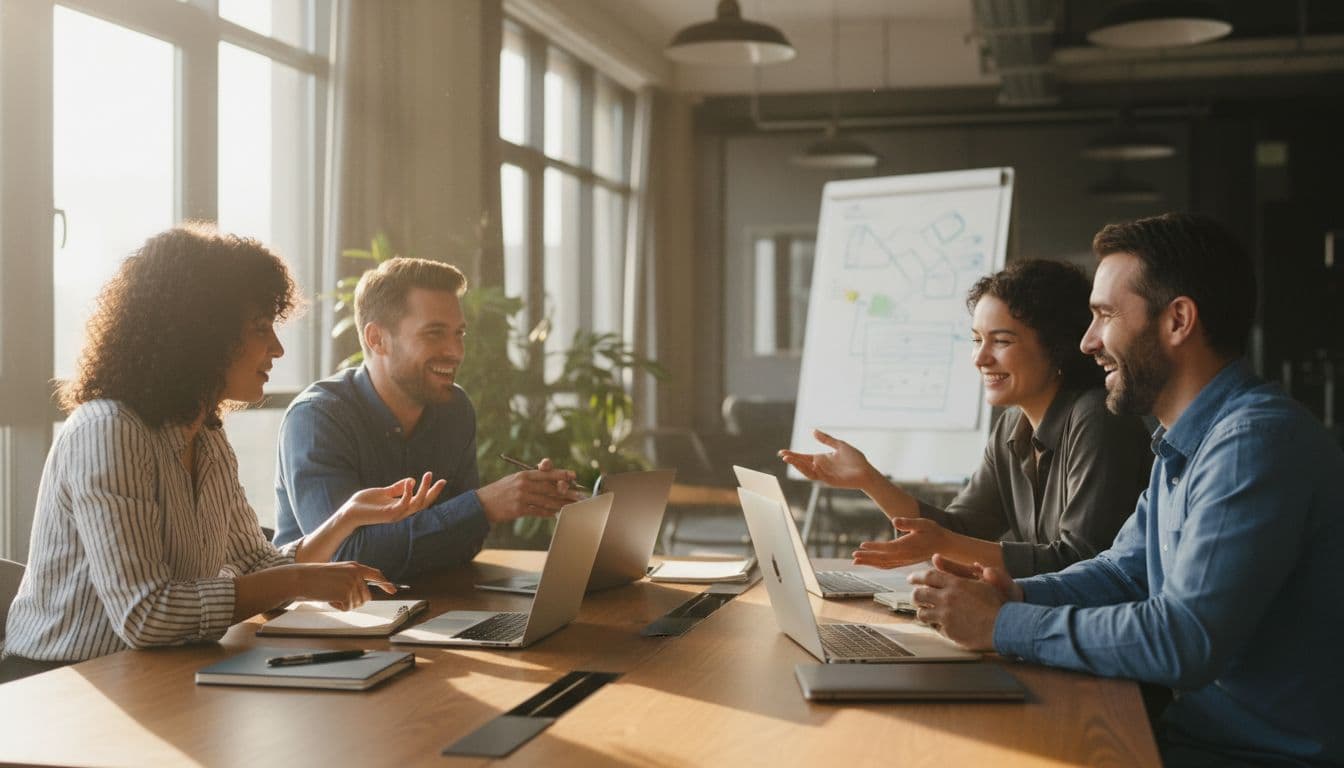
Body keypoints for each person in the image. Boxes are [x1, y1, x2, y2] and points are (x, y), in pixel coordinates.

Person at [908, 213, 1344, 766]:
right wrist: (1015, 595)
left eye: (1105, 315)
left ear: (1178, 320)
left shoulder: (1251, 443)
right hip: (1193, 735)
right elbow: (1121, 572)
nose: (1088, 342)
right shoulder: (1185, 440)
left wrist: (1002, 624)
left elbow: (1184, 639)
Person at [1, 225, 444, 683]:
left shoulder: (206, 435)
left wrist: (345, 519)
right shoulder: (109, 431)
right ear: (199, 334)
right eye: (258, 328)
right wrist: (300, 581)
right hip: (60, 684)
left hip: (149, 674)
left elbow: (257, 567)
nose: (277, 347)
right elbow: (147, 616)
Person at [780, 260, 1152, 577]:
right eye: (977, 340)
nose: (980, 358)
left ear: (1058, 348)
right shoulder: (1012, 425)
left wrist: (948, 546)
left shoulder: (1097, 418)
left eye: (1001, 341)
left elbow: (1080, 563)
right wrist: (869, 480)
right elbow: (955, 530)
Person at [273, 257, 582, 581]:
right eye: (434, 333)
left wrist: (481, 512)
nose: (455, 351)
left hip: (432, 602)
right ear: (377, 339)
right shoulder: (317, 419)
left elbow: (467, 543)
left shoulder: (454, 410)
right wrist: (480, 508)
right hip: (324, 620)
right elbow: (343, 557)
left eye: (459, 333)